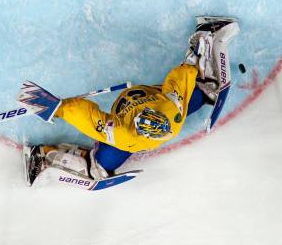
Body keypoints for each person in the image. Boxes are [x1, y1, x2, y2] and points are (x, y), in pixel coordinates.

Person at [18, 16, 239, 184]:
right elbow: (182, 76)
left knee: (97, 170)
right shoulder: (171, 109)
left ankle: (42, 156)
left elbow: (89, 117)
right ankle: (41, 158)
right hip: (145, 101)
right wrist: (197, 54)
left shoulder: (128, 130)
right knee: (96, 170)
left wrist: (59, 108)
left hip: (135, 103)